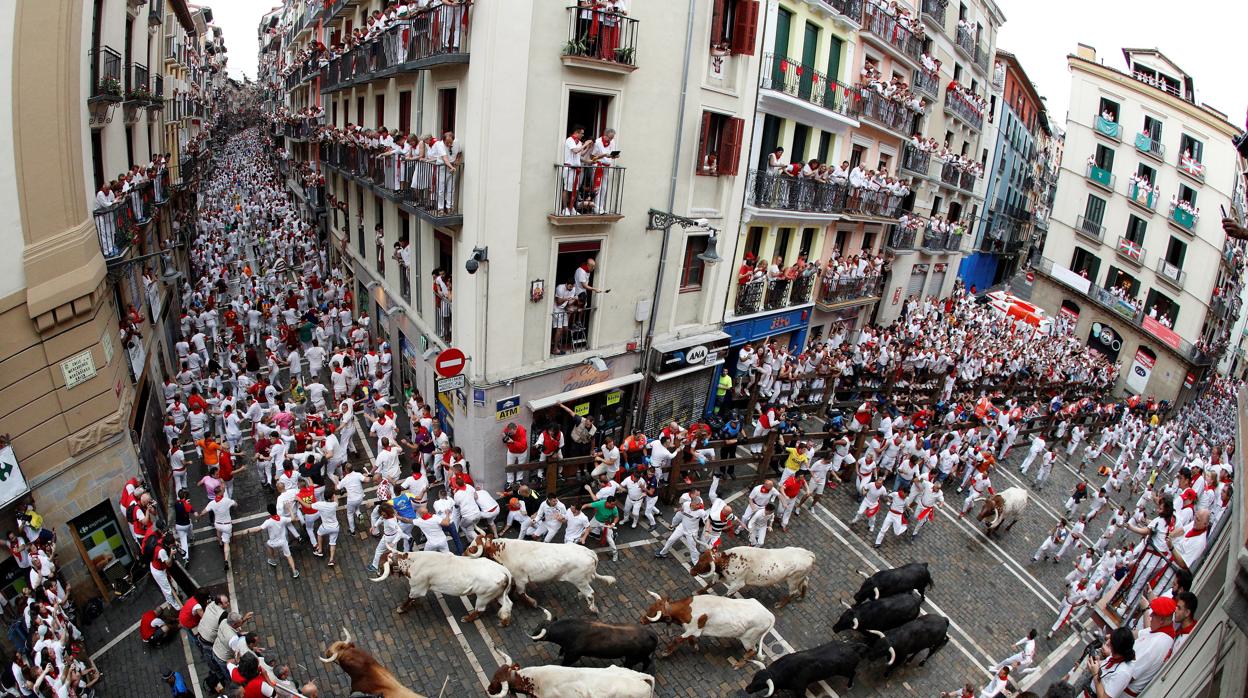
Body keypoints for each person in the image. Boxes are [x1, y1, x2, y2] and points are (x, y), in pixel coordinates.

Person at [1084, 626, 1135, 698]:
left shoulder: (1123, 672)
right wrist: (1097, 663)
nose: (1107, 643)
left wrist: (1095, 674)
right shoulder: (1116, 656)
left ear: (1118, 647)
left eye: (1111, 642)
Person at [259, 502, 300, 579]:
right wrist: (289, 508)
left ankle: (272, 559)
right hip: (283, 542)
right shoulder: (282, 519)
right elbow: (293, 518)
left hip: (273, 542)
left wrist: (248, 530)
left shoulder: (268, 521)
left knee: (268, 545)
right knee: (289, 556)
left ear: (269, 512)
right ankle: (294, 571)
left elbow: (259, 528)